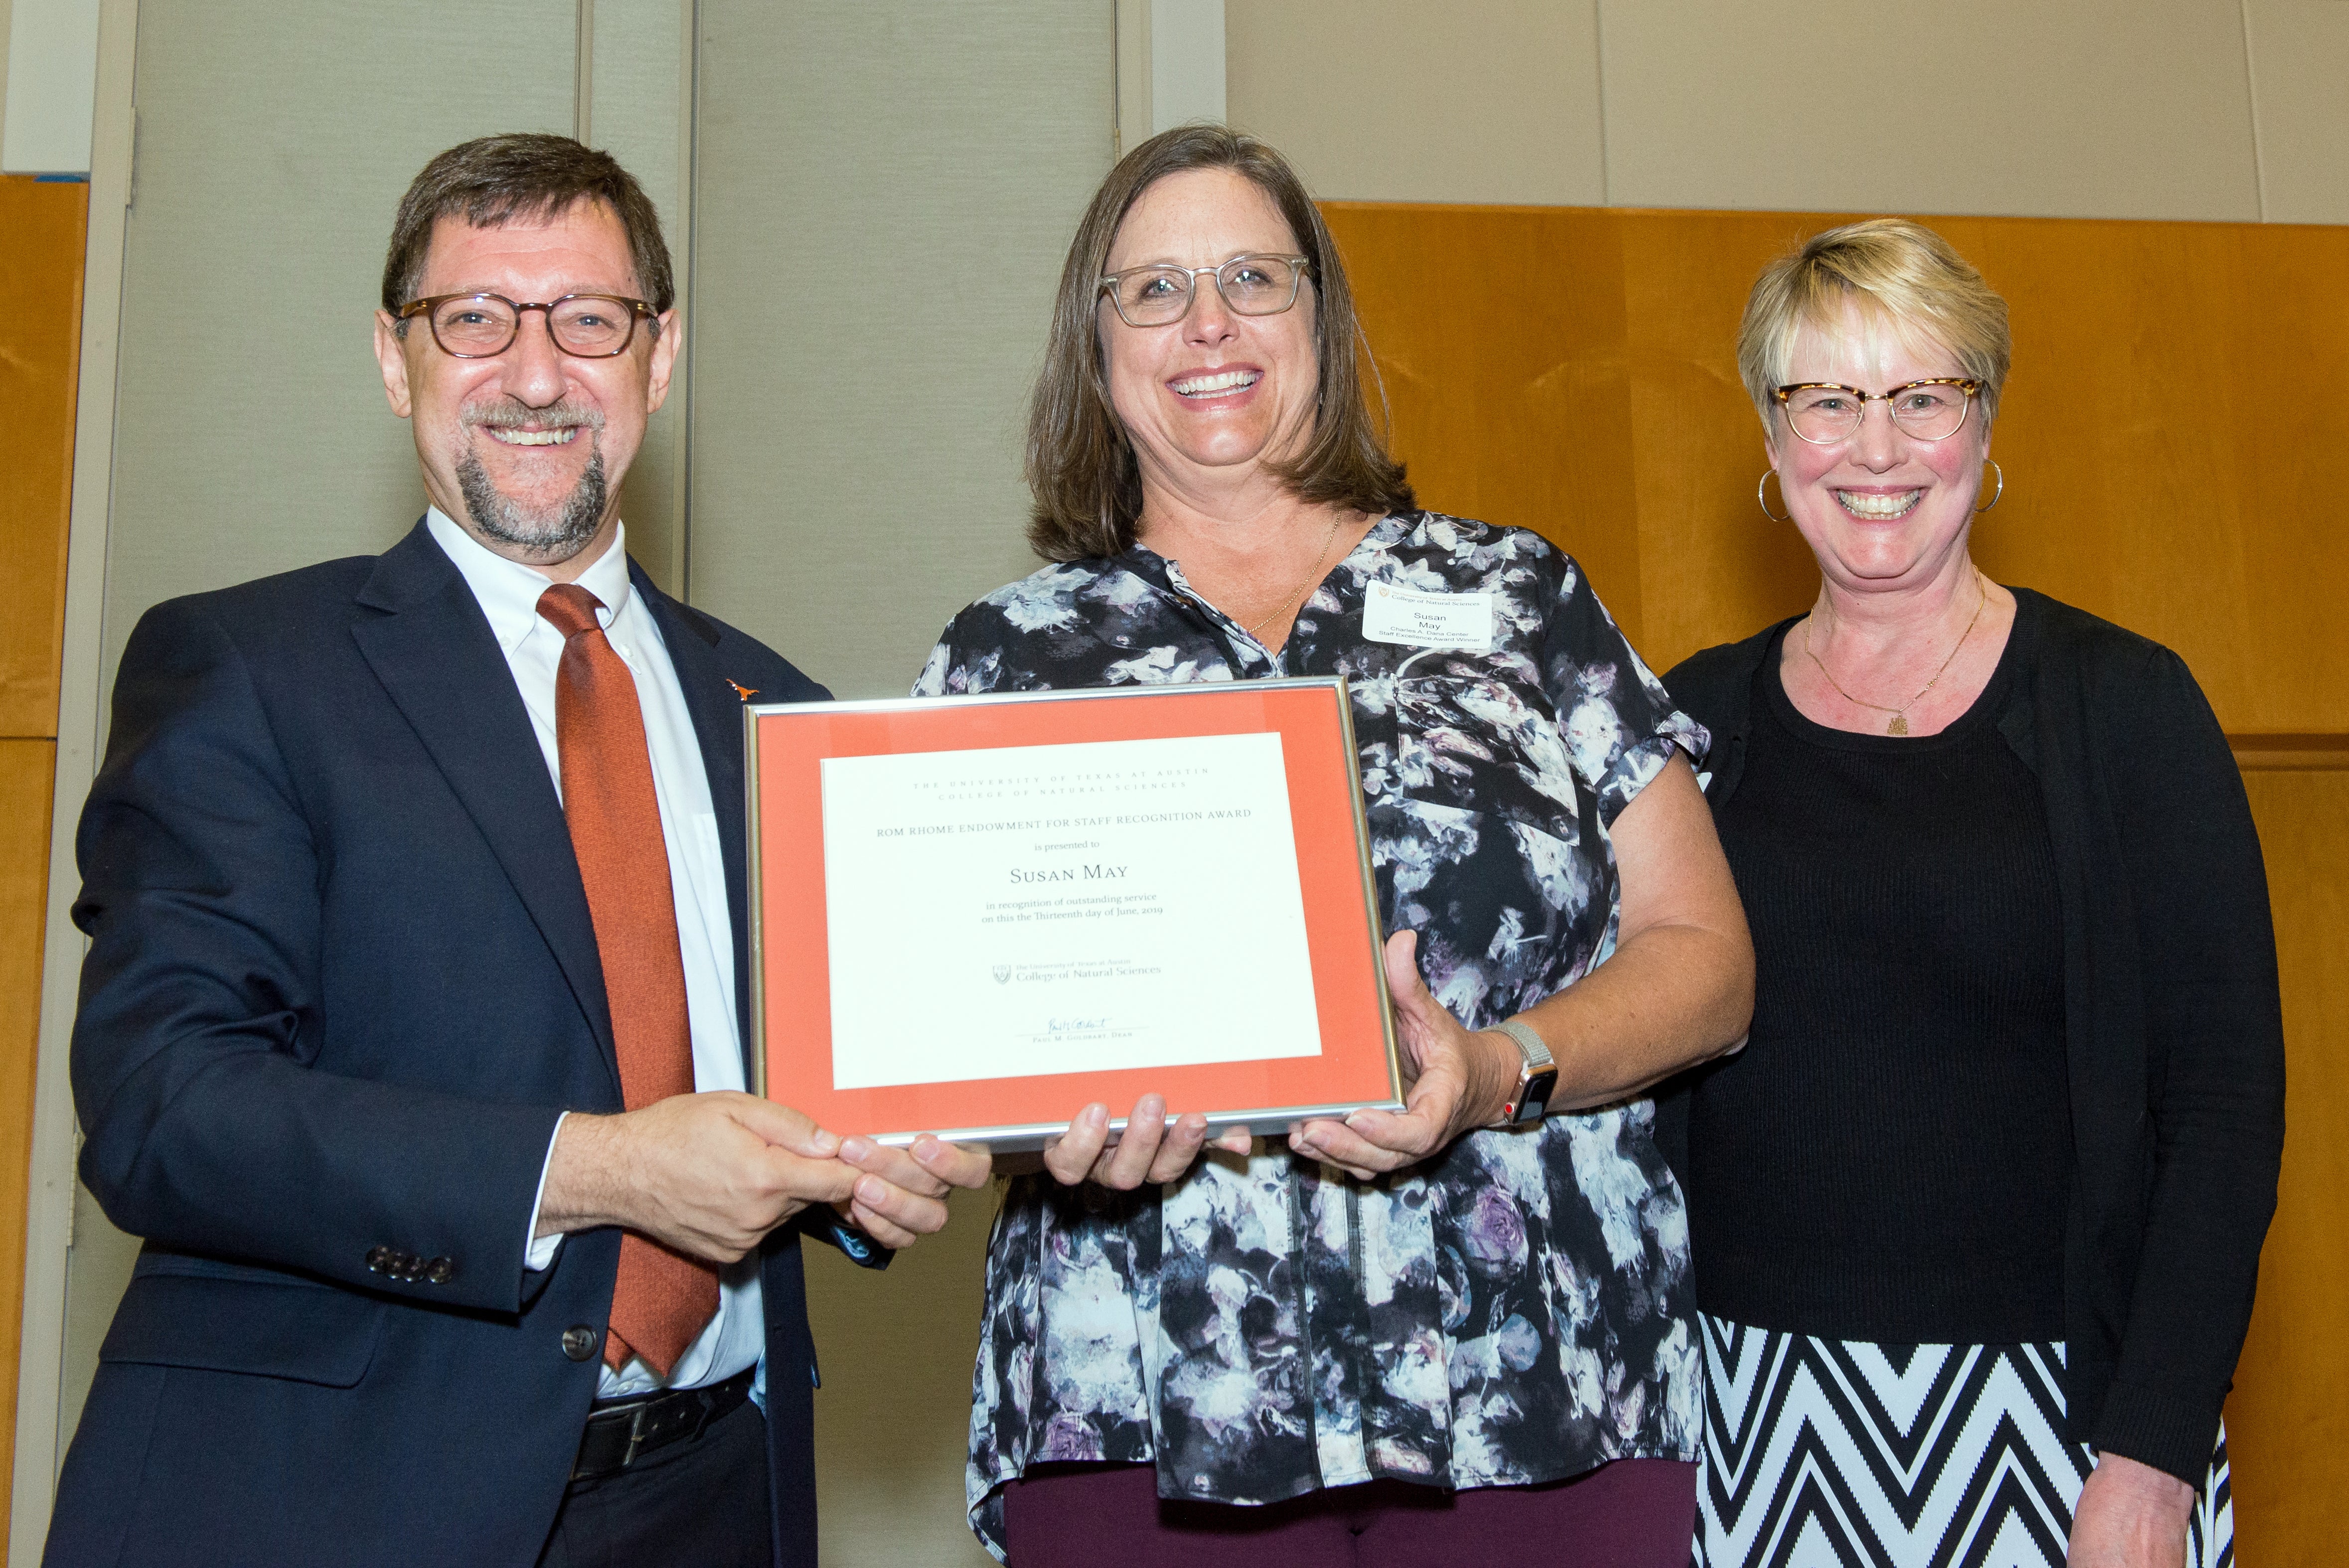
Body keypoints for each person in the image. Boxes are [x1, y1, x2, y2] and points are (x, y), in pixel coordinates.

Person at [46, 134, 990, 1568]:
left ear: (656, 359)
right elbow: (165, 1103)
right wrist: (596, 1170)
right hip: (337, 1502)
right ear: (393, 356)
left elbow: (813, 1077)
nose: (535, 374)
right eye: (474, 318)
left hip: (715, 1493)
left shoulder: (778, 712)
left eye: (587, 322)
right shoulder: (246, 666)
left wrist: (866, 1172)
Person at [914, 125, 1755, 1567]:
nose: (1210, 325)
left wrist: (1499, 1066)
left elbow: (1707, 961)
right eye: (1154, 289)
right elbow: (937, 1051)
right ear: (1094, 343)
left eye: (1254, 276)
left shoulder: (1514, 593)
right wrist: (1038, 1129)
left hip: (1538, 1383)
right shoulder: (1011, 652)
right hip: (1149, 1396)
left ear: (1321, 316)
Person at [1656, 218, 2283, 1568]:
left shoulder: (2125, 706)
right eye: (1824, 399)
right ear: (1771, 442)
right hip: (1744, 1430)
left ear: (1983, 428)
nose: (1872, 448)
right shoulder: (1685, 719)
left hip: (2066, 1439)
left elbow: (2222, 1115)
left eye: (1919, 397)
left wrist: (2151, 1460)